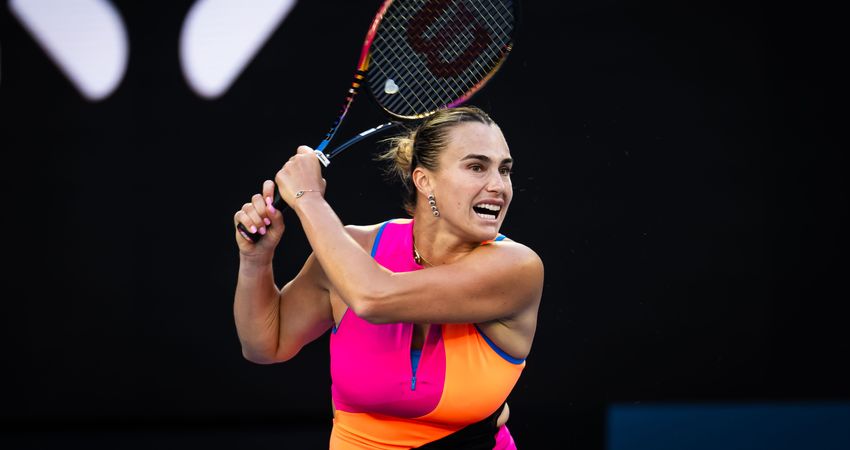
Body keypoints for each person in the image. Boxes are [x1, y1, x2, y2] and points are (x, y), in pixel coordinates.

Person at [232, 105, 544, 449]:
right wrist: (256, 260)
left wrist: (307, 198)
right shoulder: (354, 250)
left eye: (505, 170)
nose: (498, 185)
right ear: (425, 180)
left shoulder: (516, 268)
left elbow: (373, 298)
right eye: (476, 167)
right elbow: (266, 345)